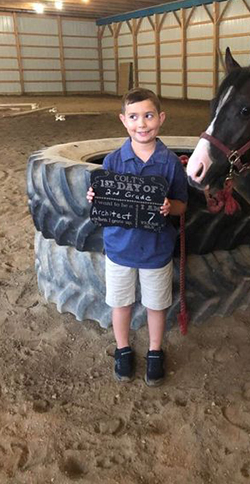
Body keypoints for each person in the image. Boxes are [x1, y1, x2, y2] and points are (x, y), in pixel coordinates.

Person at [87, 88, 188, 386]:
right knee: (121, 303)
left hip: (156, 250)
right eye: (134, 117)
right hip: (119, 249)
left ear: (161, 118)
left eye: (148, 116)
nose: (141, 124)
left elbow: (183, 205)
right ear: (123, 120)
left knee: (157, 304)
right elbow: (101, 203)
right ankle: (123, 349)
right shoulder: (112, 162)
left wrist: (171, 207)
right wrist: (95, 197)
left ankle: (155, 351)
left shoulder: (169, 163)